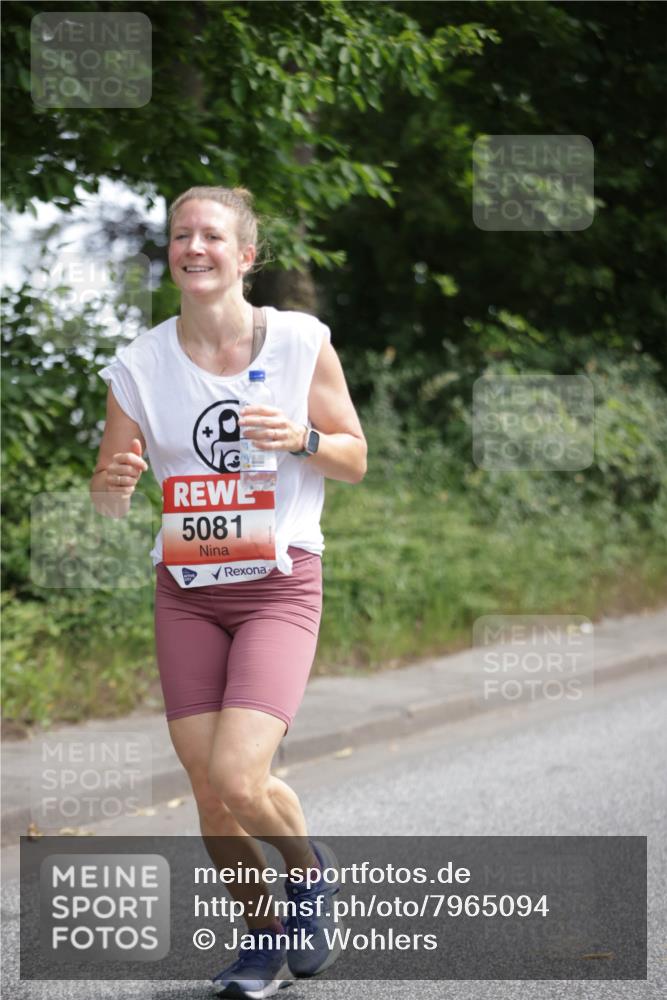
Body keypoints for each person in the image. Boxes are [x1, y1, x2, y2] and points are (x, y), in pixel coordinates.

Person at [90, 185, 367, 998]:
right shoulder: (139, 364)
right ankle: (261, 943)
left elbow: (352, 456)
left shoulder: (298, 341)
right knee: (210, 792)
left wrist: (304, 438)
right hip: (186, 589)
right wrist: (113, 482)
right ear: (170, 253)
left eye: (212, 235)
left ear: (245, 256)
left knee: (243, 778)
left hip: (277, 584)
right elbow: (109, 495)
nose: (194, 246)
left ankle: (307, 877)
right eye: (181, 235)